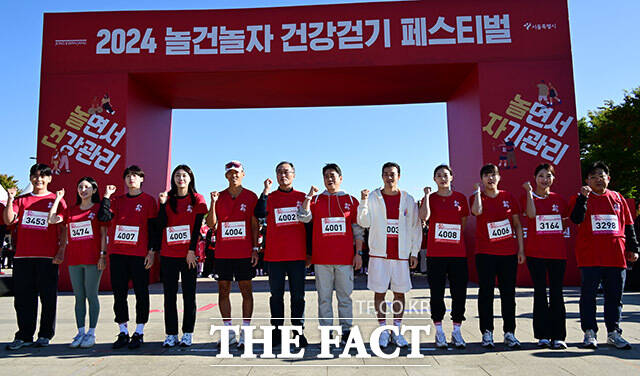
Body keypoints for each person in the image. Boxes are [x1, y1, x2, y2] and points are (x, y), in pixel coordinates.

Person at [569, 161, 639, 349]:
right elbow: (576, 218)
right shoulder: (580, 198)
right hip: (590, 257)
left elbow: (629, 225)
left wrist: (633, 248)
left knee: (615, 297)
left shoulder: (618, 198)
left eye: (602, 175)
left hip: (616, 256)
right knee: (588, 296)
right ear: (587, 181)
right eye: (593, 177)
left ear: (608, 178)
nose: (598, 179)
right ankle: (590, 332)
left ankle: (614, 332)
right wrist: (583, 199)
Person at [298, 163, 363, 344]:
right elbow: (303, 217)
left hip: (344, 259)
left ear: (340, 178)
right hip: (322, 259)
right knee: (324, 298)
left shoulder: (351, 200)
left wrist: (358, 253)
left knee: (345, 297)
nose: (330, 179)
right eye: (326, 175)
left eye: (333, 175)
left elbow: (358, 230)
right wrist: (308, 197)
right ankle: (327, 332)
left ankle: (346, 330)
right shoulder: (316, 200)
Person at [358, 162, 421, 348]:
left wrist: (414, 252)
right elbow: (364, 222)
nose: (389, 177)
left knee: (399, 294)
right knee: (380, 294)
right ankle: (383, 330)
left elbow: (415, 227)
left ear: (399, 176)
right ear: (382, 176)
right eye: (385, 174)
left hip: (401, 256)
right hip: (379, 255)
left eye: (392, 174)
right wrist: (362, 202)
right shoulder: (373, 197)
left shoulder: (408, 199)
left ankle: (397, 330)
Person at [4, 164, 66, 350]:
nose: (39, 179)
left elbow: (63, 229)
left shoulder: (56, 199)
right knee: (23, 299)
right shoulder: (21, 200)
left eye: (43, 176)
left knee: (48, 298)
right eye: (35, 176)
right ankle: (24, 335)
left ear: (49, 179)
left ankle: (45, 334)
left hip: (47, 258)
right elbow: (8, 220)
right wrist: (10, 199)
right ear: (31, 178)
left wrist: (61, 250)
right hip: (23, 257)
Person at [98, 165, 158, 349]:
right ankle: (123, 330)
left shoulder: (149, 200)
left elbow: (154, 229)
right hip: (118, 254)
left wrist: (151, 252)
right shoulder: (116, 200)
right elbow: (103, 217)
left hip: (139, 254)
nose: (131, 178)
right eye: (128, 176)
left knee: (141, 292)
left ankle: (139, 331)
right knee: (119, 293)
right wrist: (106, 197)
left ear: (141, 179)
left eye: (135, 176)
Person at [470, 163, 525, 349]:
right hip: (485, 253)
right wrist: (478, 192)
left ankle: (510, 332)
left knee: (508, 294)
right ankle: (487, 332)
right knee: (486, 293)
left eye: (493, 175)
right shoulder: (477, 197)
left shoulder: (508, 197)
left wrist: (521, 250)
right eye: (486, 175)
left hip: (508, 253)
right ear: (482, 179)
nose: (490, 178)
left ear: (499, 177)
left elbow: (517, 225)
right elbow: (476, 211)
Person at [48, 177, 107, 348]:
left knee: (91, 295)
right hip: (74, 259)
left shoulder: (97, 209)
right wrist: (58, 199)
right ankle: (80, 332)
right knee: (79, 297)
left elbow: (103, 234)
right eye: (80, 187)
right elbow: (52, 219)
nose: (83, 190)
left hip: (93, 260)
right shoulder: (71, 210)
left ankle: (91, 333)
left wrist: (102, 255)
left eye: (87, 187)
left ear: (94, 190)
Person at [255, 161, 308, 348]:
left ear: (294, 174)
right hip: (275, 256)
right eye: (279, 172)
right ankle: (276, 331)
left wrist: (309, 253)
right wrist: (265, 191)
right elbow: (259, 213)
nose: (283, 175)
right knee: (276, 296)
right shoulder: (269, 197)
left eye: (286, 172)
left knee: (298, 296)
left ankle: (298, 331)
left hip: (297, 256)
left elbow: (309, 227)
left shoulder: (302, 197)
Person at [206, 161, 259, 348]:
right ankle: (228, 331)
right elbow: (212, 224)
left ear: (243, 174)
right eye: (230, 173)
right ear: (226, 176)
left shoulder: (251, 196)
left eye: (237, 172)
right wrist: (212, 203)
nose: (233, 175)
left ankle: (245, 331)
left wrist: (255, 249)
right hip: (223, 253)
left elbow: (254, 225)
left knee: (246, 291)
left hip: (244, 252)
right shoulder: (218, 197)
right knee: (223, 291)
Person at [419, 164, 470, 349]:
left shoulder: (460, 198)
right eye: (438, 175)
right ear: (434, 179)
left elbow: (462, 223)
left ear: (452, 177)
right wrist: (425, 196)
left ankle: (457, 330)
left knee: (459, 294)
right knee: (437, 294)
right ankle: (439, 331)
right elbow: (423, 217)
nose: (442, 178)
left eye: (445, 175)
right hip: (436, 255)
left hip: (457, 254)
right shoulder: (430, 198)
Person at [156, 165, 208, 348]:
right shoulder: (167, 198)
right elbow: (161, 224)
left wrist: (192, 250)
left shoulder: (197, 199)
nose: (181, 179)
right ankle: (171, 334)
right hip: (169, 254)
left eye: (184, 175)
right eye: (177, 175)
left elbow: (196, 229)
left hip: (189, 256)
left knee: (189, 295)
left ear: (190, 178)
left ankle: (187, 333)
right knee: (169, 296)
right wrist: (162, 205)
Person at [521, 164, 569, 349]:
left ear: (553, 179)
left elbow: (564, 223)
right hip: (536, 254)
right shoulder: (528, 196)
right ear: (535, 178)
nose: (544, 179)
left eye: (548, 176)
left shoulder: (559, 199)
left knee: (557, 294)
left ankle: (558, 336)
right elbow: (531, 216)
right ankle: (542, 335)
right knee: (540, 293)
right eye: (541, 176)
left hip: (557, 254)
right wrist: (529, 193)